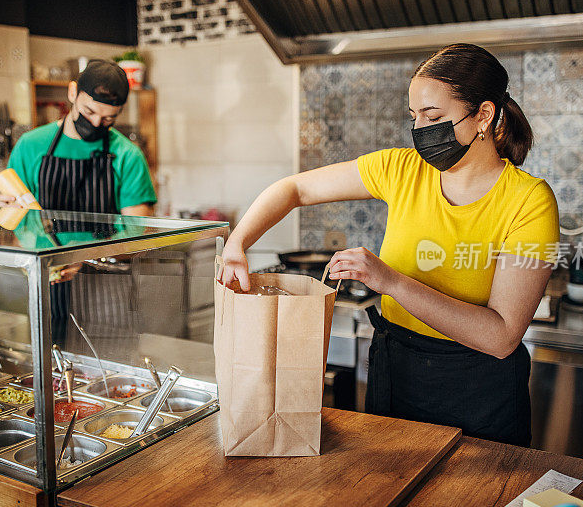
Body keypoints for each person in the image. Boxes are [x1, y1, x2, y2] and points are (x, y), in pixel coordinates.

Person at [220, 44, 559, 447]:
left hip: (479, 392)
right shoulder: (401, 169)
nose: (420, 130)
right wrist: (238, 242)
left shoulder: (530, 200)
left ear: (483, 114)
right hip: (395, 374)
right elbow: (295, 188)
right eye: (414, 117)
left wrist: (391, 282)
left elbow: (502, 336)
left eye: (433, 117)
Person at [0, 59, 156, 345]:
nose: (96, 123)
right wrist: (12, 212)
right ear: (72, 93)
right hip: (46, 277)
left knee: (109, 373)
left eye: (108, 118)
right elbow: (19, 221)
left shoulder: (128, 155)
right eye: (89, 111)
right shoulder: (31, 146)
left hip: (106, 283)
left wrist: (82, 256)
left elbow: (136, 235)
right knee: (50, 369)